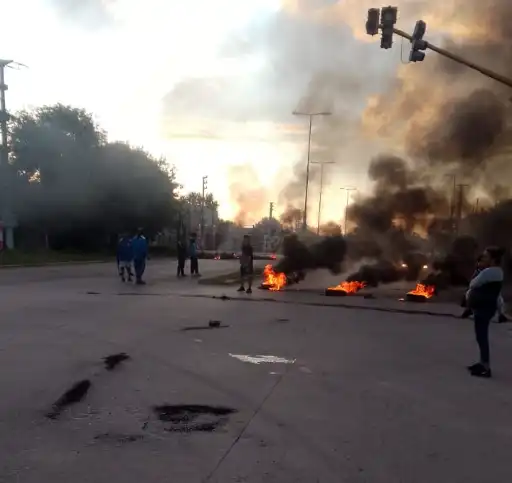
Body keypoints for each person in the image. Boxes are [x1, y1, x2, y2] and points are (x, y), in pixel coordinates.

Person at [465, 246, 504, 378]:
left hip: (483, 307)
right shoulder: (497, 272)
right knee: (481, 336)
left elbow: (473, 283)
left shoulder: (489, 272)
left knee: (481, 337)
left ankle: (485, 367)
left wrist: (478, 269)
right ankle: (482, 363)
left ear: (493, 259)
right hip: (486, 306)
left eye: (486, 256)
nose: (483, 258)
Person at [461, 255, 507, 323]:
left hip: (488, 292)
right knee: (469, 293)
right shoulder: (478, 272)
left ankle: (501, 314)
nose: (482, 263)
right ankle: (469, 309)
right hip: (480, 291)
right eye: (481, 262)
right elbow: (472, 284)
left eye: (484, 261)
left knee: (499, 298)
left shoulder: (490, 271)